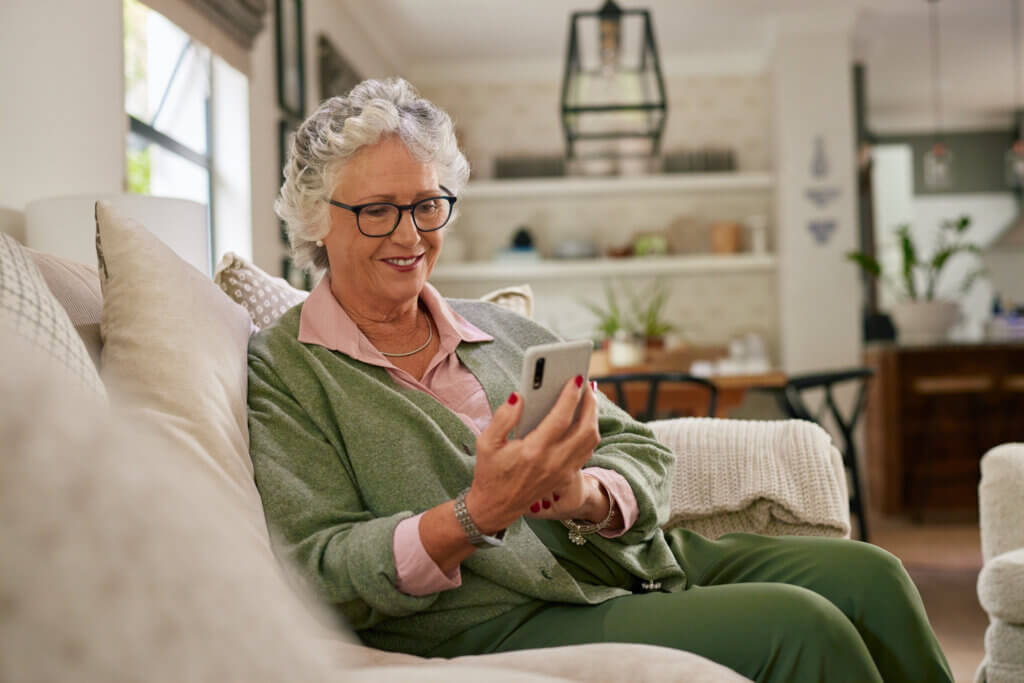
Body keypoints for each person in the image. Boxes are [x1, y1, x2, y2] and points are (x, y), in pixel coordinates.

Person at [247, 77, 952, 683]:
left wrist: (585, 494)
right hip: (504, 614)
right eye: (377, 210)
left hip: (637, 557)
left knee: (876, 578)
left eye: (428, 205)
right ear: (317, 220)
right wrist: (476, 514)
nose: (409, 235)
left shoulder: (500, 327)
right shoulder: (287, 368)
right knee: (801, 627)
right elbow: (321, 563)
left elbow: (641, 449)